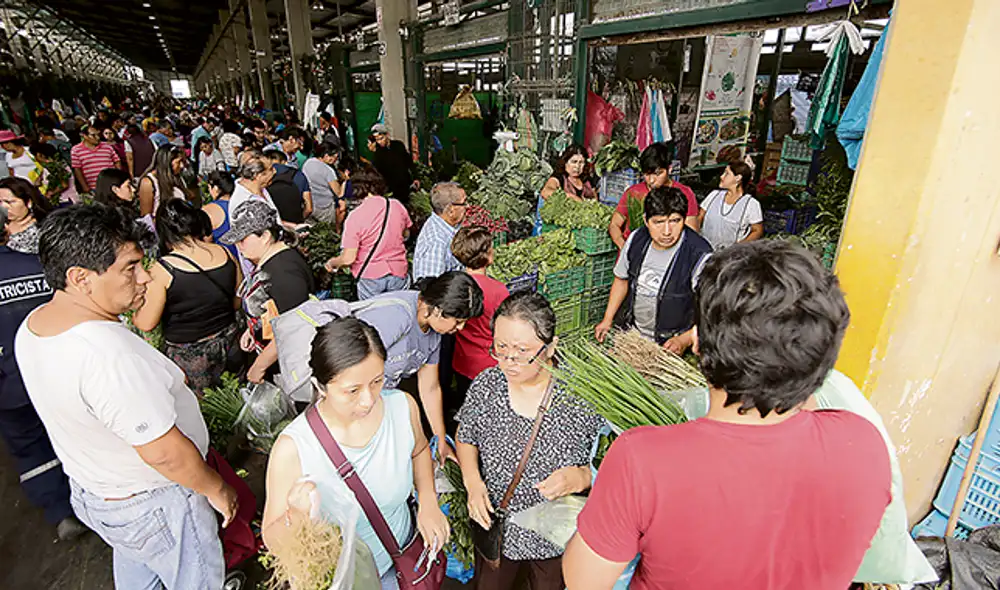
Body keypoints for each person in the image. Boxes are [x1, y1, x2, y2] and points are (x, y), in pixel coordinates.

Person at [563, 240, 891, 590]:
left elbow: (584, 582)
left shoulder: (642, 459)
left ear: (698, 344)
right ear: (824, 355)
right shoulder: (864, 444)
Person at [15, 205, 236, 589]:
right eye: (130, 267)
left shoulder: (35, 326)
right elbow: (163, 453)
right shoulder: (107, 356)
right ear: (80, 278)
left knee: (140, 570)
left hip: (99, 492)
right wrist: (217, 489)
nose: (145, 276)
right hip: (156, 501)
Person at [261, 316, 450, 587]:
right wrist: (296, 515)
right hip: (347, 580)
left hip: (402, 559)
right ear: (320, 387)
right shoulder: (293, 448)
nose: (368, 400)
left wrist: (429, 502)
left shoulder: (402, 407)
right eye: (352, 390)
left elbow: (419, 450)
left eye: (377, 381)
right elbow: (271, 538)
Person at [457, 291, 603, 590]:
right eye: (501, 347)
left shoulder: (580, 396)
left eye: (522, 351)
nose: (509, 361)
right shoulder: (487, 385)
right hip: (498, 532)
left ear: (551, 347)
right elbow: (466, 434)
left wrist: (582, 477)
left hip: (554, 541)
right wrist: (472, 482)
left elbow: (614, 462)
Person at [0, 207, 87, 542]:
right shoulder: (36, 267)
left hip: (9, 387)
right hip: (57, 372)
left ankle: (61, 511)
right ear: (6, 229)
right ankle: (91, 495)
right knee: (75, 431)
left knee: (30, 448)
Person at [132, 199, 241, 392]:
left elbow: (146, 323)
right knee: (238, 396)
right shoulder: (225, 252)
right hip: (231, 343)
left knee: (203, 407)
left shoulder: (163, 270)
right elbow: (237, 301)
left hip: (190, 359)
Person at [594, 187, 712, 352]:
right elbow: (621, 280)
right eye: (658, 222)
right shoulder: (636, 239)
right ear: (645, 220)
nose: (667, 232)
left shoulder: (699, 254)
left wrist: (685, 339)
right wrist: (608, 319)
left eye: (675, 221)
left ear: (684, 219)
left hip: (671, 344)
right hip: (634, 337)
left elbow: (713, 309)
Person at [222, 200, 313, 384]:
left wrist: (259, 366)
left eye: (242, 239)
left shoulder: (284, 273)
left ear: (264, 236)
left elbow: (292, 329)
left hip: (288, 367)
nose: (239, 246)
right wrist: (253, 330)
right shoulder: (268, 259)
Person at [448, 226, 510, 431]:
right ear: (485, 254)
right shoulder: (498, 290)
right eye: (491, 247)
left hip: (462, 361)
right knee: (489, 418)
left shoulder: (456, 285)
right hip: (488, 365)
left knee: (467, 411)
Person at [324, 165, 412, 300]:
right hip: (398, 272)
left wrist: (332, 263)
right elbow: (406, 234)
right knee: (400, 309)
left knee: (373, 312)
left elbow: (348, 259)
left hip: (370, 276)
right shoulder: (396, 205)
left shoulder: (355, 216)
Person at [607, 143, 698, 249]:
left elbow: (691, 232)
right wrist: (624, 248)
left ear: (669, 169)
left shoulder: (684, 193)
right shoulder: (633, 193)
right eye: (647, 174)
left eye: (658, 174)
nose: (651, 180)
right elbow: (614, 225)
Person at [698, 159, 764, 250]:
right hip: (704, 250)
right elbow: (699, 217)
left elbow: (757, 230)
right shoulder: (714, 195)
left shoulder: (751, 204)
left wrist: (739, 247)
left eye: (727, 174)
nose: (721, 176)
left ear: (738, 178)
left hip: (730, 255)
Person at [412, 182, 467, 281]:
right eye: (464, 203)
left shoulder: (446, 227)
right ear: (451, 210)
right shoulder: (436, 242)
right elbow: (432, 287)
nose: (467, 207)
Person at [0, 177, 53, 254]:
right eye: (0, 202)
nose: (3, 206)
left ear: (29, 202)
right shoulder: (2, 223)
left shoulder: (42, 231)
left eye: (10, 202)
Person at [138, 146, 191, 219]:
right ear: (167, 162)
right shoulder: (148, 182)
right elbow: (146, 218)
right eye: (179, 162)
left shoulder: (177, 177)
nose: (182, 166)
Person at [263, 148, 312, 223]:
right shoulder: (298, 175)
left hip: (274, 222)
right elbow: (309, 208)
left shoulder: (262, 176)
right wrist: (300, 220)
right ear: (284, 161)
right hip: (295, 221)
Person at [301, 141, 345, 225]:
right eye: (335, 157)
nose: (336, 160)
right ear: (326, 156)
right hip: (325, 207)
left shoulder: (308, 163)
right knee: (328, 229)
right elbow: (338, 192)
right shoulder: (328, 171)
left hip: (309, 203)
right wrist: (344, 182)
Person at [370, 124, 414, 205]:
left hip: (404, 186)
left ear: (387, 135)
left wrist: (415, 177)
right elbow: (376, 171)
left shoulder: (398, 146)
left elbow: (409, 162)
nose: (380, 142)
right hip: (390, 189)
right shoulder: (378, 154)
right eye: (377, 140)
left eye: (381, 138)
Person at [71, 124, 122, 194]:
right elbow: (77, 169)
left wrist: (118, 179)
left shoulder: (107, 146)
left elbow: (117, 161)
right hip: (93, 187)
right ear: (84, 135)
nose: (97, 137)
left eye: (98, 134)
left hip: (112, 185)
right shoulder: (76, 150)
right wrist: (85, 187)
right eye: (93, 135)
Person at [203, 170, 239, 258]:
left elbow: (206, 243)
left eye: (209, 188)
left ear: (215, 188)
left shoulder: (208, 210)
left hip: (223, 258)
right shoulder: (242, 203)